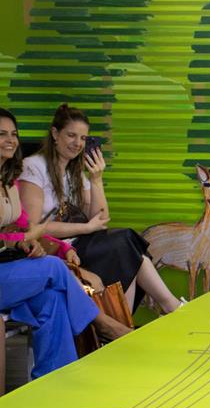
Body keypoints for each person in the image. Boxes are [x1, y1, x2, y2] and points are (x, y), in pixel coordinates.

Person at [0, 107, 131, 380]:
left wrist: (63, 247)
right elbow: (22, 234)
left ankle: (55, 381)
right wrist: (21, 240)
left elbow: (28, 230)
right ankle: (103, 324)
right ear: (55, 134)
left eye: (13, 134)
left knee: (53, 300)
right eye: (2, 134)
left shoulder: (9, 182)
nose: (10, 140)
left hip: (8, 270)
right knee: (53, 267)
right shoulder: (32, 169)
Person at [18, 104, 184, 314]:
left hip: (77, 243)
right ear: (55, 134)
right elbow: (33, 227)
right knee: (126, 244)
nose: (78, 143)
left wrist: (96, 179)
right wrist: (86, 228)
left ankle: (155, 312)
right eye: (71, 135)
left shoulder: (74, 172)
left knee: (129, 249)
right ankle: (168, 307)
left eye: (83, 138)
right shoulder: (33, 166)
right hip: (53, 248)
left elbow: (100, 218)